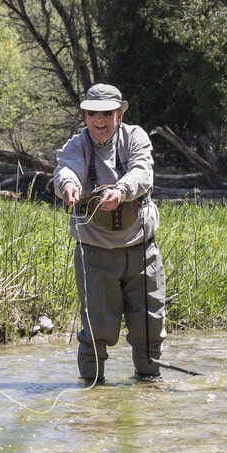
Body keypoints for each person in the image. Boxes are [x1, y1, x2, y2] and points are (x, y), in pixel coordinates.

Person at [53, 84, 166, 384]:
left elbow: (143, 171)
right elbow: (66, 169)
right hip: (95, 253)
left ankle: (148, 386)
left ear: (119, 114)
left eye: (105, 113)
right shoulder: (76, 146)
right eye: (92, 114)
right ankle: (93, 395)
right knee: (96, 329)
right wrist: (67, 186)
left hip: (141, 250)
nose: (98, 120)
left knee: (149, 327)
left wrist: (122, 190)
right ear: (85, 115)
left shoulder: (136, 137)